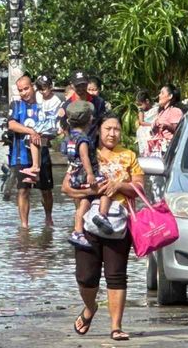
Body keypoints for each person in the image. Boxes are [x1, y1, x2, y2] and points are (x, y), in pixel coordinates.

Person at [62, 111, 144, 341]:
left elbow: (140, 188)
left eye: (116, 129)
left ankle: (116, 326)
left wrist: (119, 185)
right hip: (87, 223)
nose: (112, 133)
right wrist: (95, 191)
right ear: (98, 130)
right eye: (108, 128)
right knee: (86, 277)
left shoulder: (129, 156)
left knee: (116, 275)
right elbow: (66, 187)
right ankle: (90, 308)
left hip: (119, 224)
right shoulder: (86, 151)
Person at [8, 75, 54, 228]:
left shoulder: (43, 104)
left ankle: (48, 218)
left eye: (26, 88)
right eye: (20, 90)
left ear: (33, 86)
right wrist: (31, 131)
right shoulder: (16, 105)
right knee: (22, 190)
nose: (24, 93)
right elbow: (12, 124)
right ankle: (24, 225)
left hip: (43, 152)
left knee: (46, 190)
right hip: (21, 155)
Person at [63, 100, 108, 249]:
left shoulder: (70, 137)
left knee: (84, 202)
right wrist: (90, 174)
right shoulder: (83, 139)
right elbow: (84, 156)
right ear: (89, 119)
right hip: (84, 175)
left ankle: (77, 232)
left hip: (74, 175)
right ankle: (101, 215)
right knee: (106, 186)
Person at [19, 75, 63, 182]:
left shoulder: (56, 100)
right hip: (41, 124)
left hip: (51, 125)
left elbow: (58, 117)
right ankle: (36, 171)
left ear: (50, 87)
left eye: (44, 89)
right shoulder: (38, 95)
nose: (42, 92)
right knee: (32, 138)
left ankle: (35, 167)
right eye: (40, 89)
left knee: (35, 138)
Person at [58, 71, 106, 139]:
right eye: (77, 85)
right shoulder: (66, 106)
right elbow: (64, 126)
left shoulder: (98, 102)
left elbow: (103, 123)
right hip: (75, 142)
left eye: (83, 84)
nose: (81, 88)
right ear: (72, 85)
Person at [149, 83, 183, 156]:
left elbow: (180, 129)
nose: (159, 95)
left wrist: (167, 125)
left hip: (169, 151)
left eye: (162, 93)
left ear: (170, 96)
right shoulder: (161, 112)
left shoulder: (175, 111)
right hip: (158, 150)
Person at [135, 89, 158, 157]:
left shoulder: (156, 109)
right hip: (144, 132)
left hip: (154, 132)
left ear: (147, 101)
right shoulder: (141, 111)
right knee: (145, 150)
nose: (139, 106)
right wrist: (152, 125)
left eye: (141, 104)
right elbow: (141, 122)